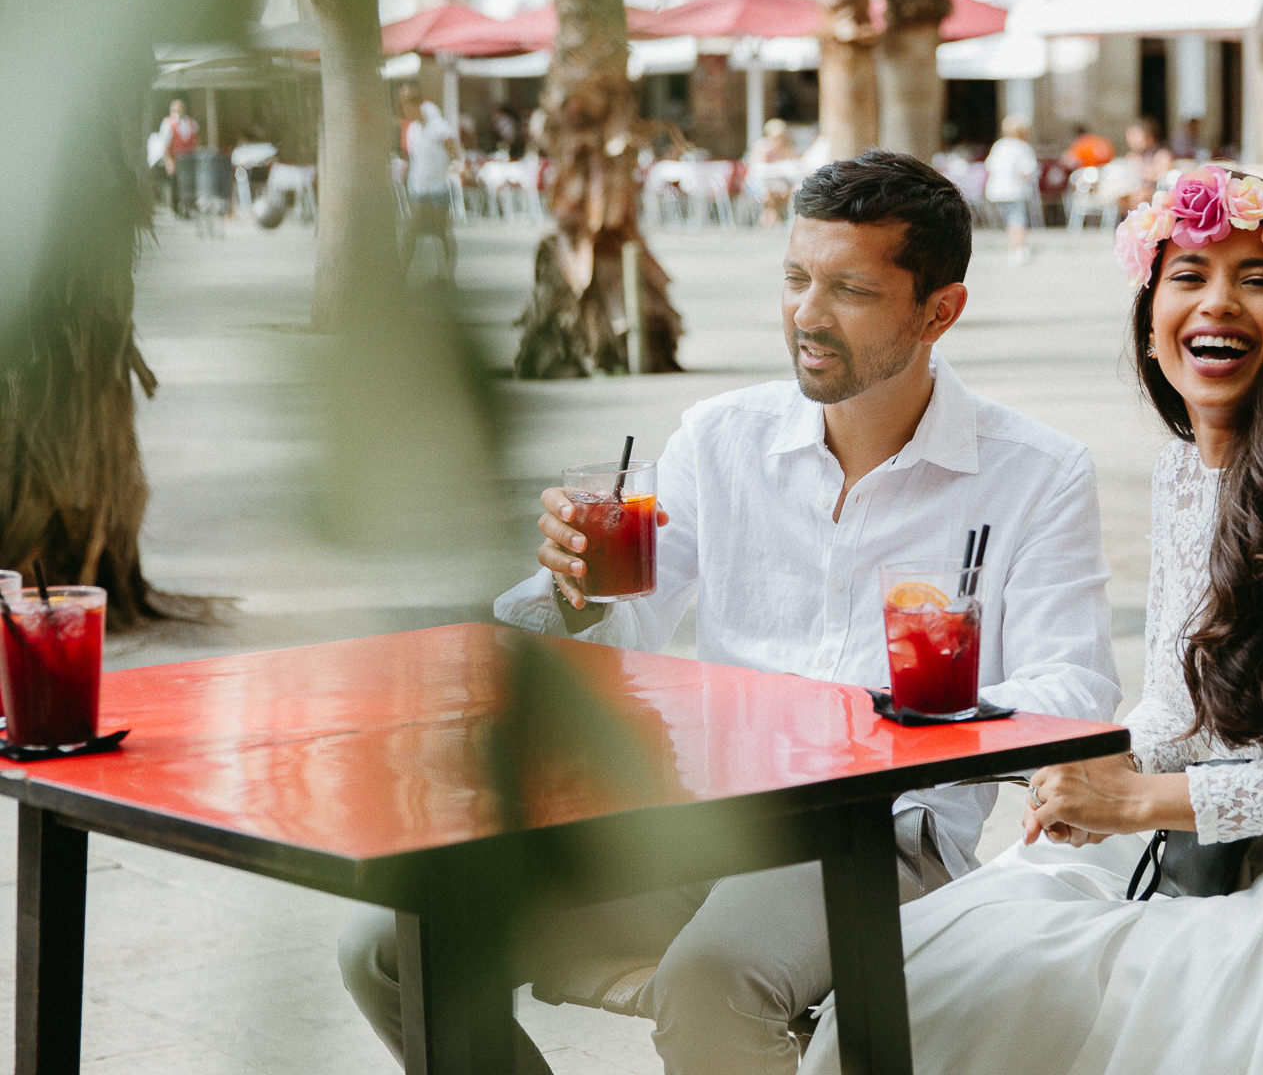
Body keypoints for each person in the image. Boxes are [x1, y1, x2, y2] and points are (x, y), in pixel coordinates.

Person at [338, 151, 1119, 1074]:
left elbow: (1076, 692)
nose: (807, 315)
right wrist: (575, 591)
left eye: (851, 290)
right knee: (391, 942)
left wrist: (915, 707)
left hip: (880, 836)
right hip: (697, 821)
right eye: (796, 278)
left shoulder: (1035, 473)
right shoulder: (721, 436)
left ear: (938, 311)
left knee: (714, 979)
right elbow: (626, 620)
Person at [802, 169, 1263, 1075]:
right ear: (1150, 324)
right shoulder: (1183, 469)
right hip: (1218, 849)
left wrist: (1143, 801)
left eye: (1258, 280)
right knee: (936, 974)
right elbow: (1176, 711)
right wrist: (1097, 769)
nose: (1218, 303)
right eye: (1187, 275)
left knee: (1097, 1006)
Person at [399, 99, 460, 286]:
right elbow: (412, 156)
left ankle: (446, 276)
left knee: (441, 231)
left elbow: (455, 152)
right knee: (411, 230)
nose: (407, 114)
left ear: (418, 107)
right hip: (419, 186)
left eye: (410, 109)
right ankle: (402, 274)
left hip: (438, 186)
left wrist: (442, 166)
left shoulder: (439, 127)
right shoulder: (414, 129)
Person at [985, 115, 1041, 266]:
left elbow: (989, 167)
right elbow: (1027, 171)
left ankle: (1013, 248)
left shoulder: (999, 145)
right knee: (1018, 219)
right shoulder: (1023, 147)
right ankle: (1019, 249)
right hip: (1015, 189)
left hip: (997, 189)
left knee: (1009, 219)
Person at [749, 117, 801, 226]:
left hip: (782, 184)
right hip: (758, 185)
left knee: (794, 190)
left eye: (782, 137)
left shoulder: (786, 148)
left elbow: (794, 169)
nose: (779, 140)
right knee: (768, 193)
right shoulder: (761, 147)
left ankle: (788, 221)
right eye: (777, 137)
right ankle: (772, 222)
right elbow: (757, 171)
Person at [157, 98, 200, 214]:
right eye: (177, 108)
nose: (179, 111)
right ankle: (176, 210)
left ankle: (189, 207)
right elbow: (165, 143)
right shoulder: (168, 122)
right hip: (175, 157)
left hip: (189, 158)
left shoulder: (191, 122)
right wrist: (168, 161)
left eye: (181, 108)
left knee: (190, 184)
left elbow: (195, 139)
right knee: (176, 184)